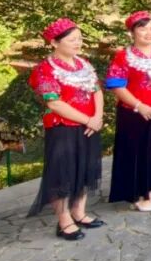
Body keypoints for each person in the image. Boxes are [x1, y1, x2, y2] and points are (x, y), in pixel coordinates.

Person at [27, 18, 105, 240]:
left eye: (79, 39)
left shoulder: (84, 64)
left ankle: (79, 212)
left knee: (86, 168)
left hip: (90, 125)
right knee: (62, 173)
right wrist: (87, 119)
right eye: (72, 40)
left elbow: (97, 91)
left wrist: (97, 117)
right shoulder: (45, 69)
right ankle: (64, 221)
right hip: (63, 128)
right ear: (54, 42)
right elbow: (54, 103)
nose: (78, 43)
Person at [106, 11, 151, 211]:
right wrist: (139, 106)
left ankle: (149, 191)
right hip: (133, 113)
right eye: (143, 29)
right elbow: (116, 85)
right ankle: (136, 195)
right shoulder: (123, 56)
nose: (149, 32)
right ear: (132, 33)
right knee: (134, 153)